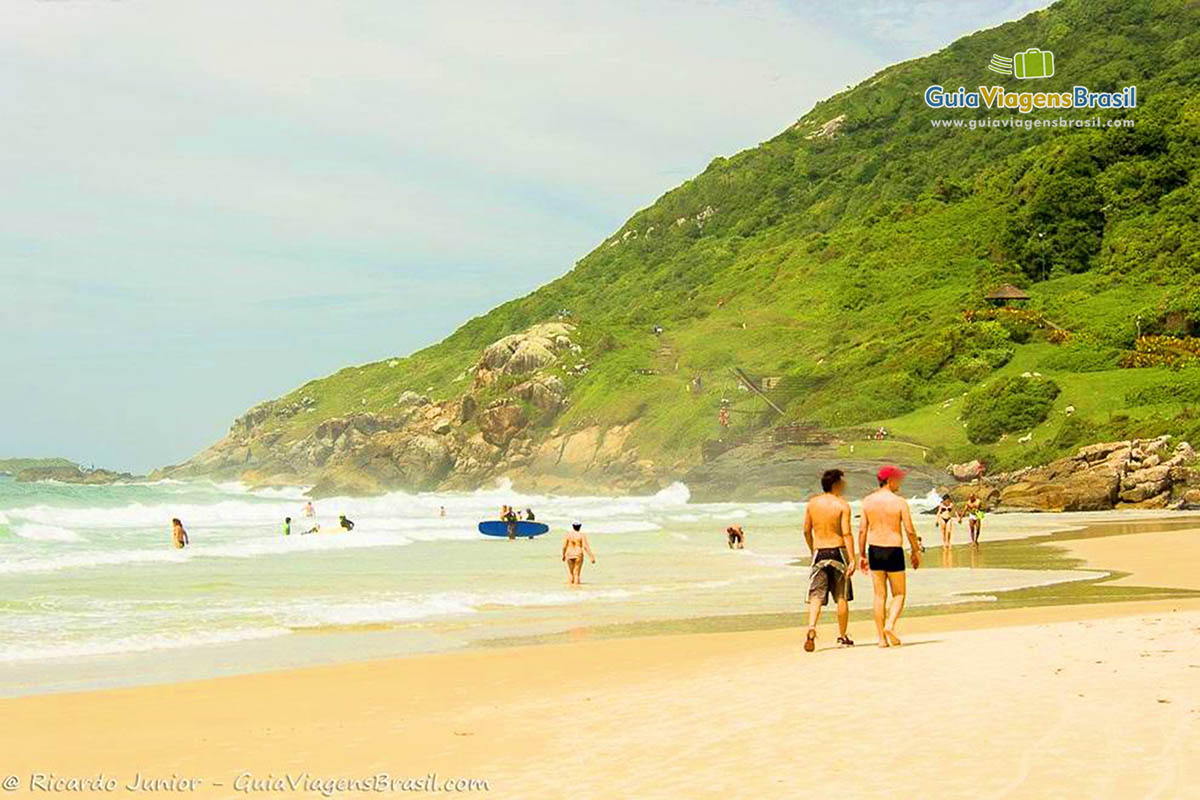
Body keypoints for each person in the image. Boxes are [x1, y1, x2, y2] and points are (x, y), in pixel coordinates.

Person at [857, 466, 920, 648]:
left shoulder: (868, 501)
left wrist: (861, 554)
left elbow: (862, 530)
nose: (900, 483)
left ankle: (881, 639)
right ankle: (890, 625)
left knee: (879, 595)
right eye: (898, 479)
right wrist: (915, 551)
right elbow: (909, 530)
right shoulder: (899, 502)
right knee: (899, 593)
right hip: (893, 549)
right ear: (890, 480)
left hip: (874, 549)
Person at [802, 469, 856, 651]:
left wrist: (812, 549)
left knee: (816, 595)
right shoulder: (842, 505)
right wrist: (853, 558)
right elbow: (847, 533)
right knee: (841, 596)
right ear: (835, 484)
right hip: (838, 551)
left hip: (820, 552)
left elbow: (806, 530)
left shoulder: (812, 504)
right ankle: (842, 636)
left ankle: (811, 627)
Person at [561, 520, 595, 585]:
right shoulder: (582, 535)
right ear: (580, 527)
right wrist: (591, 556)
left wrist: (563, 555)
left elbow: (564, 546)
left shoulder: (567, 535)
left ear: (573, 526)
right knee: (576, 574)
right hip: (578, 554)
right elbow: (585, 547)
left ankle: (571, 590)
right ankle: (577, 590)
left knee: (571, 573)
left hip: (569, 554)